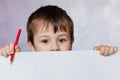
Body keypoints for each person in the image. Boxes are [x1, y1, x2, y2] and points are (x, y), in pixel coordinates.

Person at [0, 5, 118, 57]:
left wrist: (103, 57)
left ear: (72, 41)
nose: (55, 47)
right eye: (45, 41)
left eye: (62, 40)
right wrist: (7, 57)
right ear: (32, 45)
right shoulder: (24, 69)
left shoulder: (80, 67)